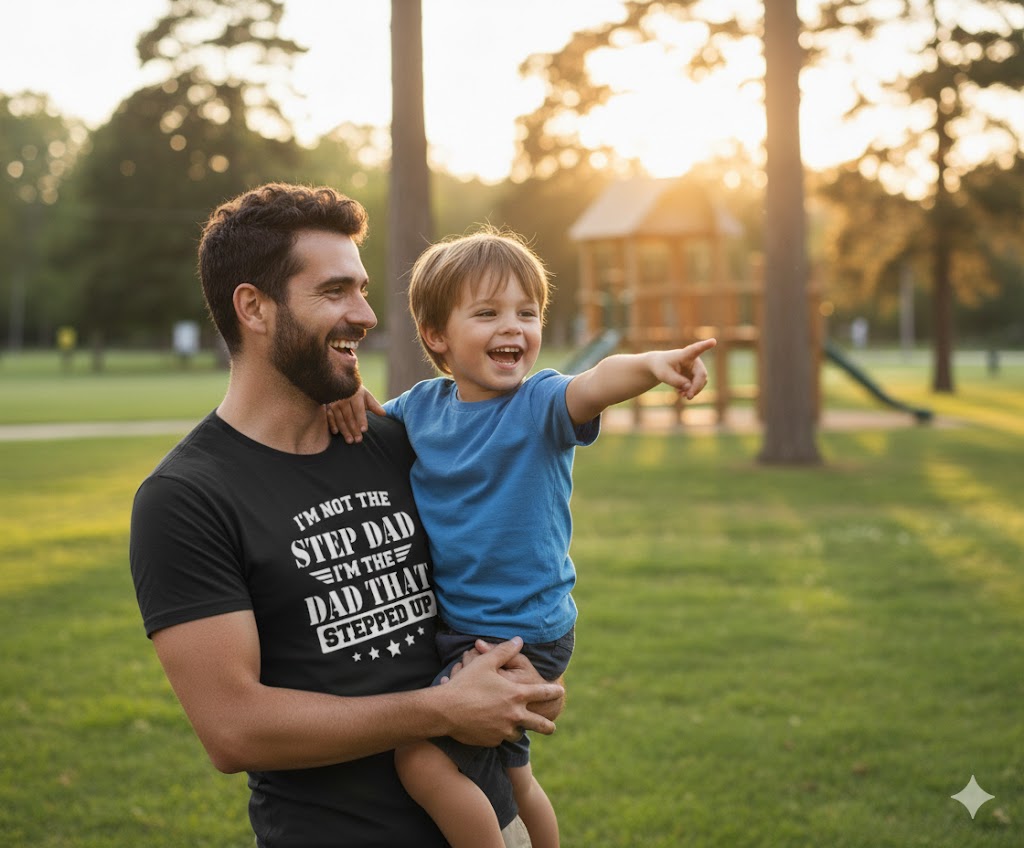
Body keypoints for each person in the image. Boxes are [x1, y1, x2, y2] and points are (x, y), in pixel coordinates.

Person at [129, 184, 565, 848]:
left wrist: (520, 681)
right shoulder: (187, 497)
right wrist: (444, 708)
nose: (364, 314)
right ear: (254, 307)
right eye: (335, 292)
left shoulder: (393, 443)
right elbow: (233, 729)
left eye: (362, 290)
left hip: (491, 819)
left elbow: (509, 544)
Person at [328, 227, 715, 848]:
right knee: (515, 773)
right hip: (466, 625)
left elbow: (596, 380)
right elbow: (369, 421)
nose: (513, 327)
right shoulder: (421, 409)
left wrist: (649, 365)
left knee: (421, 761)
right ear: (436, 336)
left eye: (526, 313)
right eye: (487, 313)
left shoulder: (539, 405)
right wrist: (343, 390)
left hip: (520, 629)